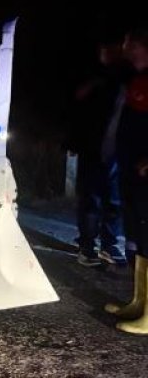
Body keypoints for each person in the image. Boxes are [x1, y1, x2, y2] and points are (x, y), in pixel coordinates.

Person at [67, 35, 128, 266]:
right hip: (92, 148)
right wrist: (73, 142)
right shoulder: (92, 76)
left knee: (114, 200)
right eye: (106, 48)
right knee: (91, 199)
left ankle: (109, 245)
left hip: (117, 150)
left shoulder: (126, 76)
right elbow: (76, 108)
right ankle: (87, 246)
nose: (110, 52)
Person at [106, 26, 148, 335]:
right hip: (131, 167)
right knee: (139, 234)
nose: (126, 49)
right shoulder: (133, 77)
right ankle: (139, 302)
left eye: (130, 44)